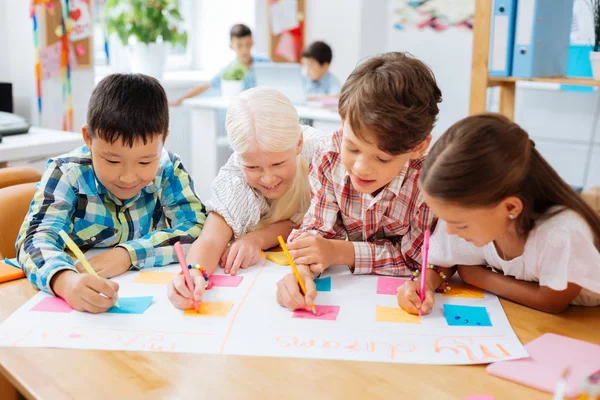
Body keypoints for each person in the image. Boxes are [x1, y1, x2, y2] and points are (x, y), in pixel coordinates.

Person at [16, 74, 206, 313]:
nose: (128, 177)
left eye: (145, 162)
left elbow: (196, 227)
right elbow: (35, 239)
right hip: (80, 299)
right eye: (112, 160)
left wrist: (128, 254)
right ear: (89, 139)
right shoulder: (67, 174)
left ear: (163, 140)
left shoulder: (168, 170)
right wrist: (65, 281)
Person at [275, 52, 442, 312]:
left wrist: (341, 252)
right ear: (343, 122)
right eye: (352, 148)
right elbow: (317, 232)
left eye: (384, 158)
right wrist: (302, 272)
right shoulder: (329, 155)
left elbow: (416, 260)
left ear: (418, 147)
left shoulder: (429, 180)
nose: (361, 167)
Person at [397, 113, 600, 315]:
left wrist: (475, 276)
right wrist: (424, 285)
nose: (449, 232)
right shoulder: (478, 216)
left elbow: (551, 301)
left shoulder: (562, 233)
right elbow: (444, 262)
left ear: (511, 208)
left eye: (460, 224)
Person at [167, 87, 327, 310]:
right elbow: (212, 239)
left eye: (278, 164)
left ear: (298, 143)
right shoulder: (236, 175)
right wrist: (193, 272)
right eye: (252, 167)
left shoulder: (324, 155)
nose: (268, 178)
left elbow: (316, 225)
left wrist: (258, 239)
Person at [169, 24, 270, 106]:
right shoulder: (229, 70)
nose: (244, 49)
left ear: (252, 43)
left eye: (248, 44)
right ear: (231, 46)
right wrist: (181, 99)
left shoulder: (265, 62)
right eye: (239, 45)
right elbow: (207, 85)